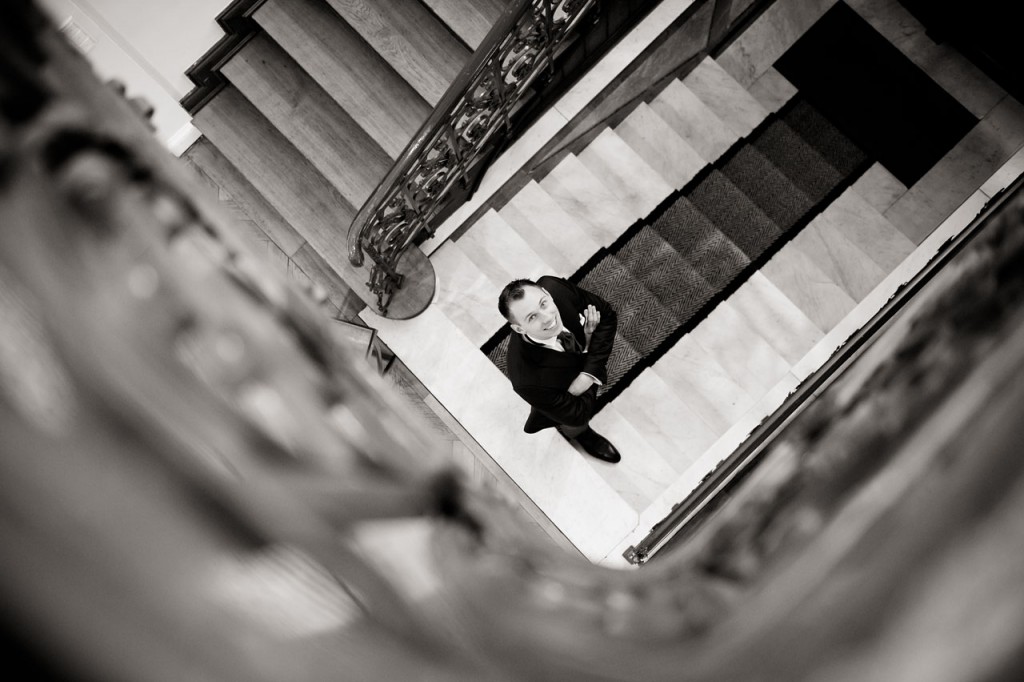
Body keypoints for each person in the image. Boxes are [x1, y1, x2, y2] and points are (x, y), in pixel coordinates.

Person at [497, 276, 621, 463]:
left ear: (547, 294)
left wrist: (587, 373)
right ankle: (581, 435)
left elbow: (607, 315)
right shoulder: (526, 379)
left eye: (543, 304)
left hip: (574, 376)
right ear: (519, 329)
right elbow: (578, 412)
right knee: (573, 423)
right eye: (532, 317)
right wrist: (591, 360)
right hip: (558, 396)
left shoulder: (554, 287)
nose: (548, 318)